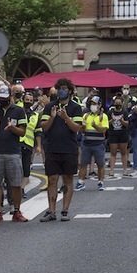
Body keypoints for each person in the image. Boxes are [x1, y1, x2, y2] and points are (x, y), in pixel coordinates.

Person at [39, 78, 83, 222]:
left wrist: (66, 117)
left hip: (69, 148)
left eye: (64, 88)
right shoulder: (50, 106)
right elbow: (44, 127)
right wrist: (52, 117)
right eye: (59, 88)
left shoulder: (75, 107)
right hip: (52, 147)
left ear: (69, 90)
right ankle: (52, 211)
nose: (61, 91)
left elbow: (77, 128)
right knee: (52, 179)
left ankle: (65, 210)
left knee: (68, 179)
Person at [0, 85, 28, 224]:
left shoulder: (19, 111)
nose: (2, 100)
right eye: (0, 98)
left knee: (15, 184)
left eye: (4, 98)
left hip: (13, 151)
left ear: (10, 97)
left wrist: (13, 128)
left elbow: (23, 132)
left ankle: (17, 210)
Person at [75, 96, 108, 192]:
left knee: (100, 164)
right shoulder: (85, 116)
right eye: (91, 104)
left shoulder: (103, 116)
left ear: (100, 105)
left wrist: (95, 126)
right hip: (86, 143)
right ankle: (81, 182)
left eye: (95, 104)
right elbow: (82, 131)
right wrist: (83, 127)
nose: (93, 106)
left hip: (98, 144)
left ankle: (101, 182)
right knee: (83, 163)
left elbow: (104, 130)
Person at [107, 95, 130, 177]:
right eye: (116, 103)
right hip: (113, 134)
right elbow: (106, 124)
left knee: (124, 152)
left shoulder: (125, 112)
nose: (118, 104)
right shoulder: (110, 112)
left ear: (122, 103)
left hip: (123, 134)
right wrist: (112, 119)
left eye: (119, 103)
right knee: (113, 153)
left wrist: (121, 120)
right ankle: (112, 170)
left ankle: (125, 170)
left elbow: (127, 124)